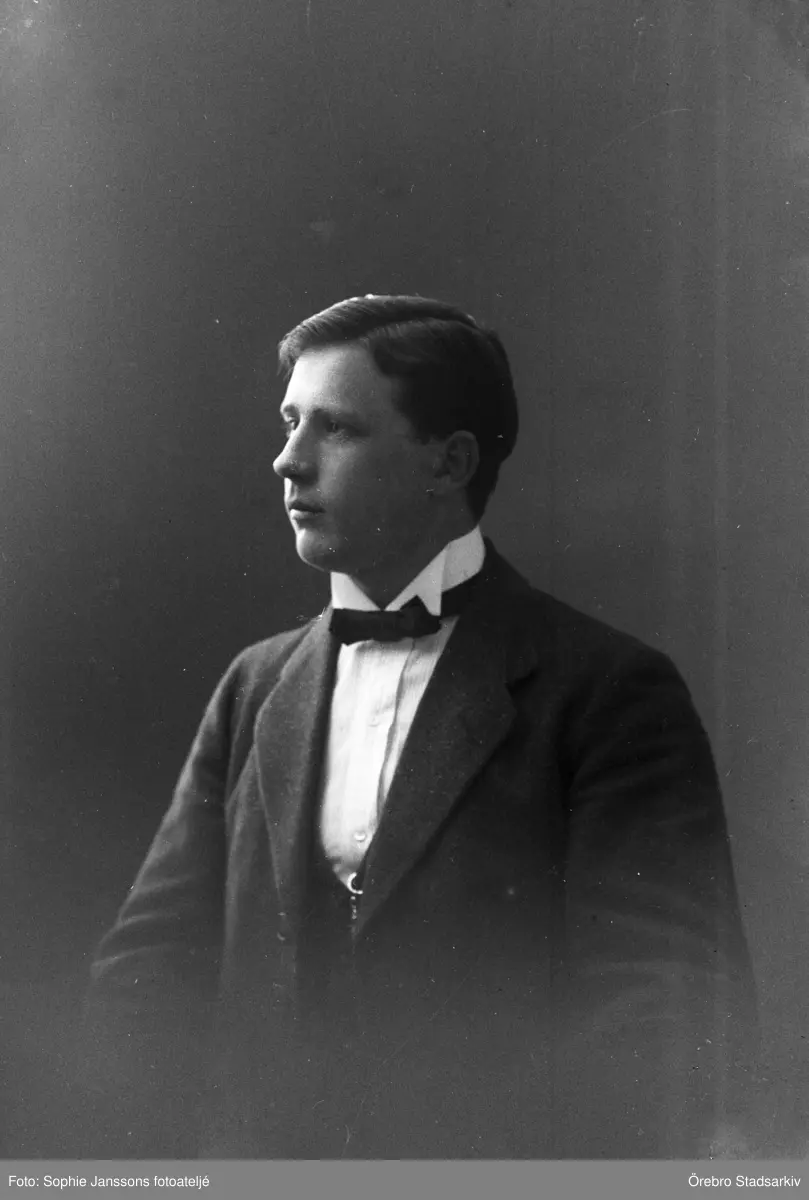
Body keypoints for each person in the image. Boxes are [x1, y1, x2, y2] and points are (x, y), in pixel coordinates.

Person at [85, 294, 755, 1159]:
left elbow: (665, 1009)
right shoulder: (254, 685)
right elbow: (147, 966)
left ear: (450, 462)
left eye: (335, 428)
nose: (288, 460)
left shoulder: (606, 689)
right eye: (289, 423)